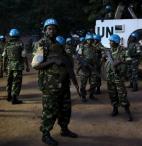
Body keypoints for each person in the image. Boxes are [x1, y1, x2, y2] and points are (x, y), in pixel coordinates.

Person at [32, 18, 78, 146]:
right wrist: (52, 61)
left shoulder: (58, 44)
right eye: (49, 28)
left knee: (65, 108)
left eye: (54, 28)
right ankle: (45, 134)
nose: (52, 31)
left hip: (63, 83)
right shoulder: (41, 44)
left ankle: (64, 129)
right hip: (50, 85)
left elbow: (66, 62)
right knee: (50, 110)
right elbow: (36, 65)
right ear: (45, 30)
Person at [103, 34, 133, 121]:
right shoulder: (108, 51)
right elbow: (105, 60)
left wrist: (119, 61)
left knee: (122, 94)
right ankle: (115, 109)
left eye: (111, 41)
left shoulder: (123, 50)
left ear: (116, 42)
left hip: (119, 76)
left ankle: (127, 111)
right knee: (112, 94)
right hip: (110, 76)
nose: (109, 43)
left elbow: (129, 60)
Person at [3, 28, 30, 104]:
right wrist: (27, 66)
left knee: (9, 81)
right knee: (17, 82)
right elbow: (24, 56)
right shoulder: (20, 44)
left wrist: (4, 67)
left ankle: (8, 96)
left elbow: (4, 57)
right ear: (18, 35)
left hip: (9, 66)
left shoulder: (7, 44)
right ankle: (14, 98)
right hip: (18, 66)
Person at [78, 34, 98, 102]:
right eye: (88, 40)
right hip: (85, 68)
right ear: (86, 40)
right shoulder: (82, 47)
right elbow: (78, 57)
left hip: (92, 67)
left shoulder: (94, 47)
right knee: (83, 83)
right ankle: (83, 96)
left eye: (91, 40)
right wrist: (83, 63)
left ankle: (91, 95)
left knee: (93, 83)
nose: (90, 41)